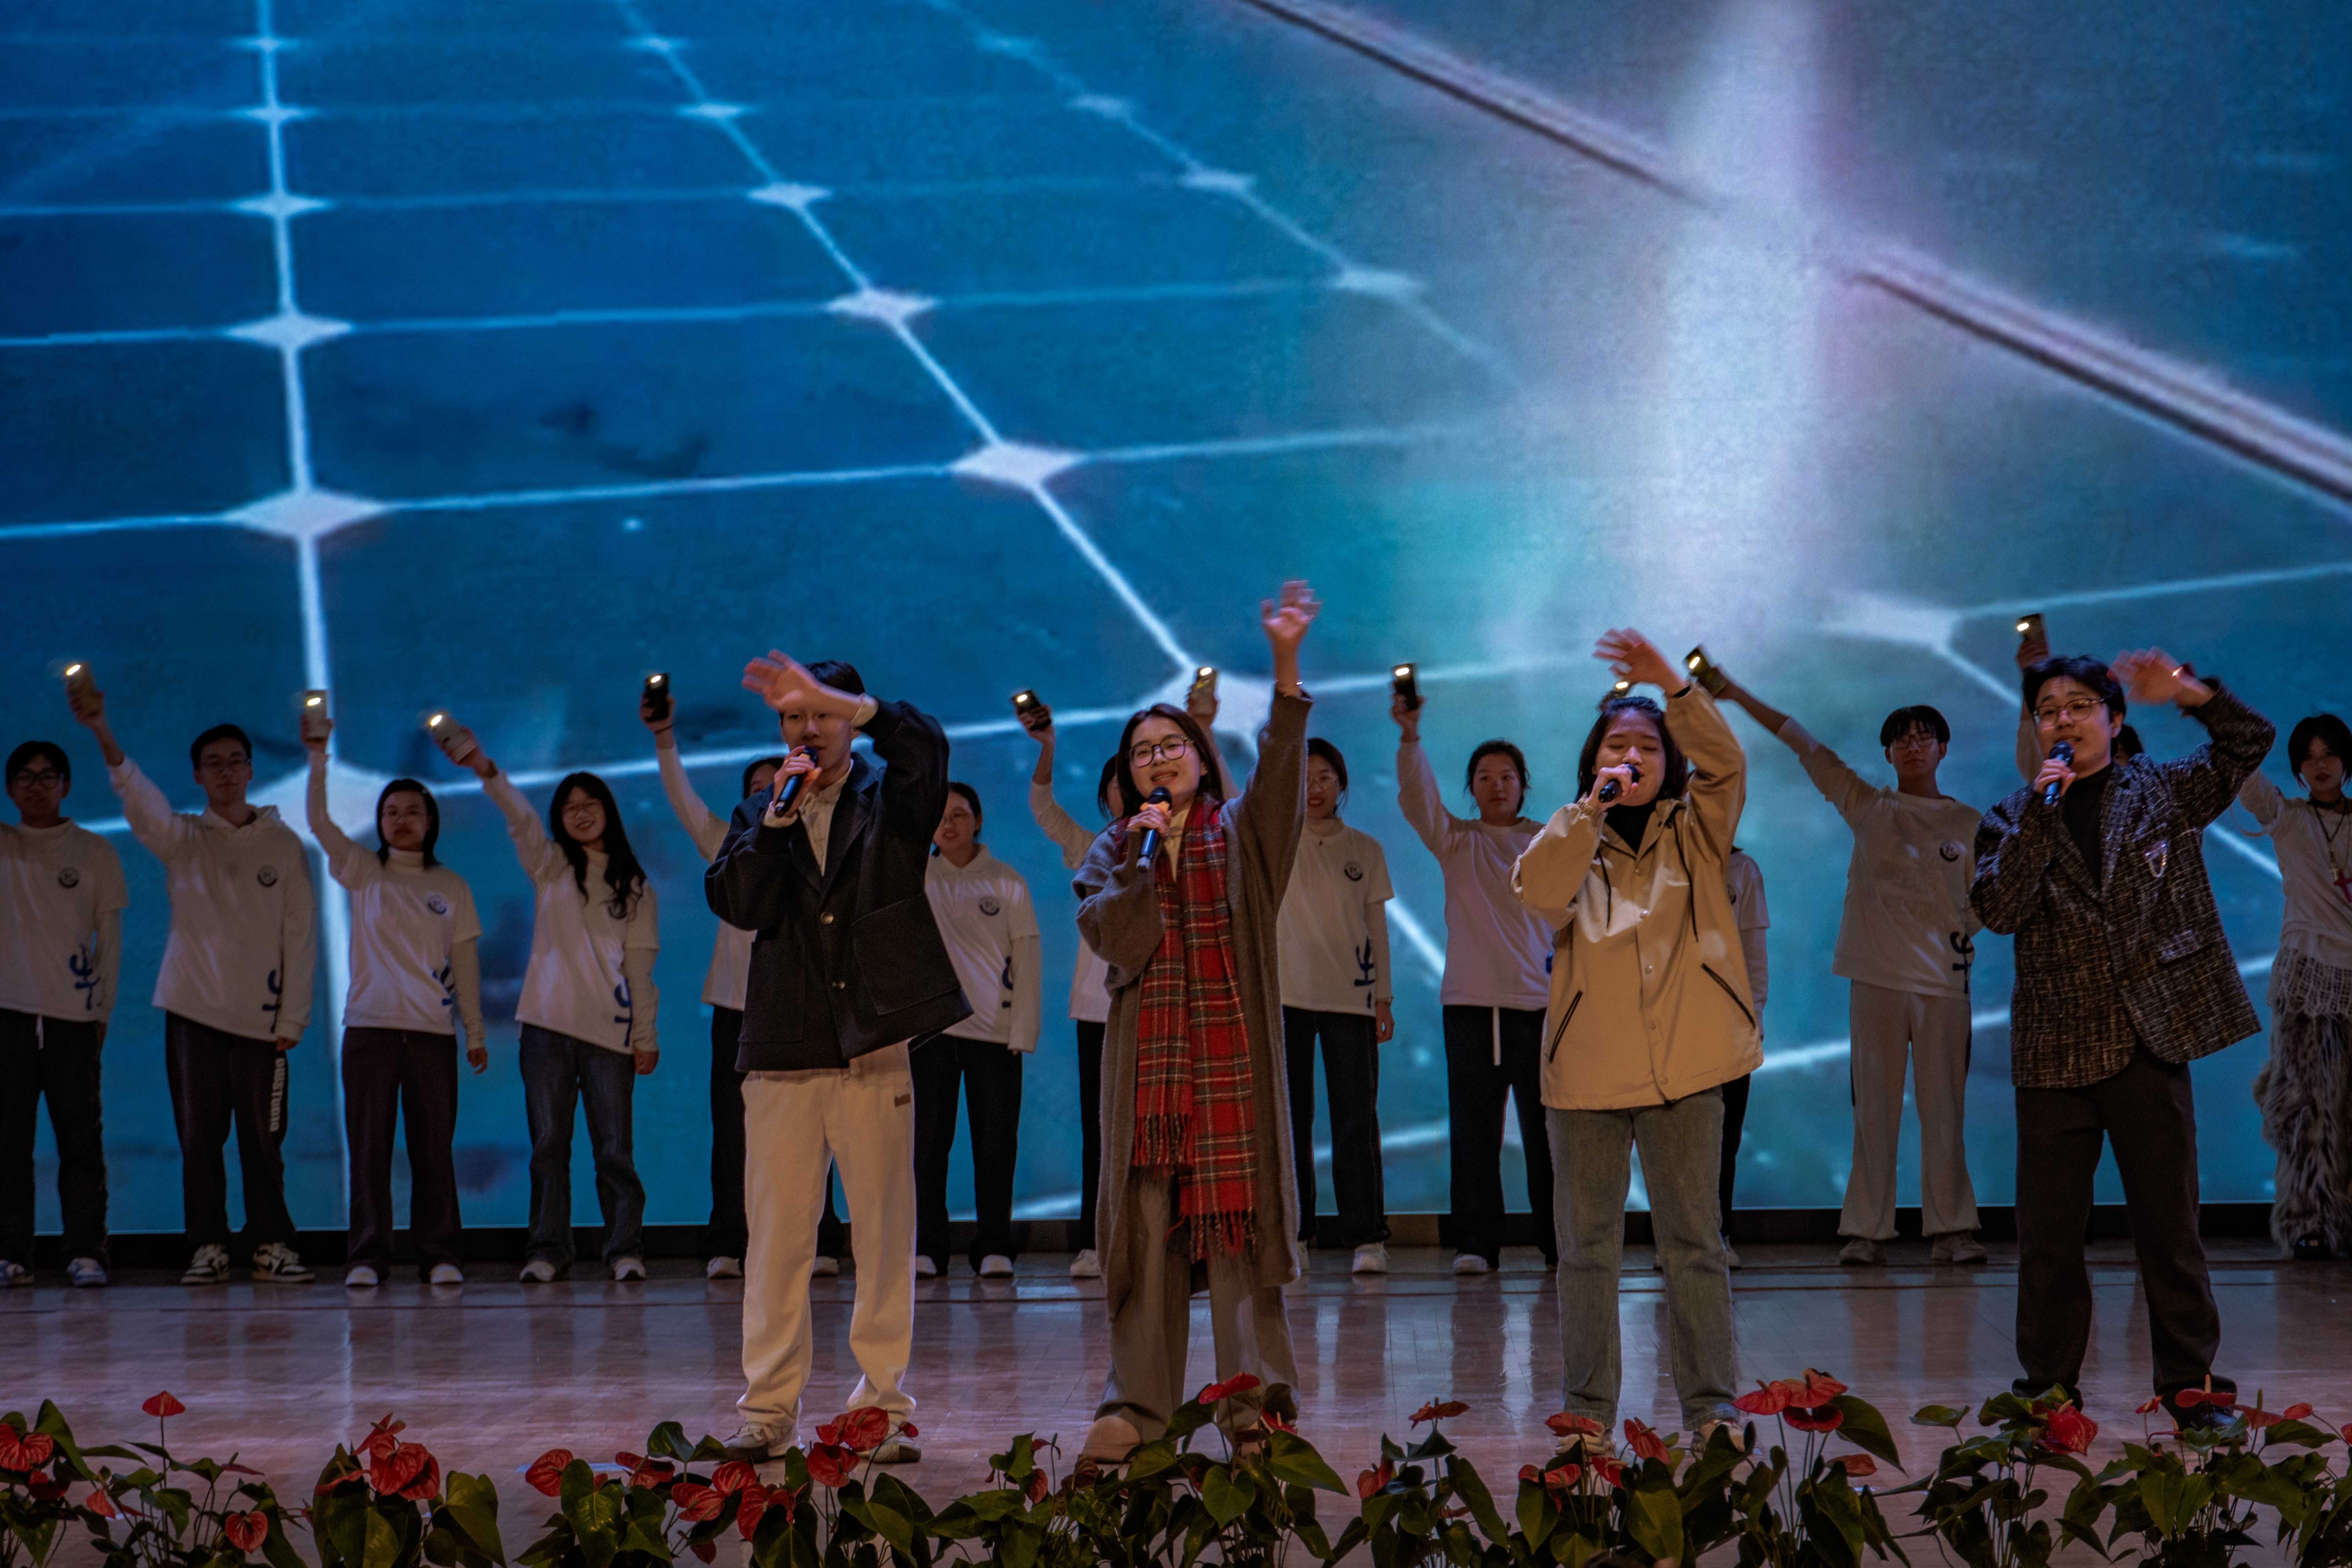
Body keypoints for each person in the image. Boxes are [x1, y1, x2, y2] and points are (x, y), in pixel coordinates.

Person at [1972, 649, 2272, 1423]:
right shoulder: (2009, 817)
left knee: (2170, 1231)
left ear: (2114, 718)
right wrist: (2041, 815)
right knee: (2048, 1240)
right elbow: (1998, 910)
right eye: (2048, 710)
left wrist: (2191, 693)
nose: (2063, 720)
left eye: (2079, 706)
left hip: (2148, 1039)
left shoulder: (2162, 792)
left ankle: (2191, 1388)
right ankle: (2047, 1392)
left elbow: (2249, 742)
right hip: (2055, 1049)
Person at [1076, 581, 1319, 1463]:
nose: (1158, 759)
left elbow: (1283, 775)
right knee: (1147, 1244)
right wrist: (1140, 861)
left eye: (1172, 744)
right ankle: (1138, 1407)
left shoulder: (1245, 837)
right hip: (1150, 1088)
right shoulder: (1112, 853)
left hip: (1230, 1080)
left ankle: (1252, 1404)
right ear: (1128, 777)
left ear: (1203, 760)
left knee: (1238, 1241)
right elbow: (1119, 940)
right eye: (1142, 752)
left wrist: (1285, 664)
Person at [708, 655, 968, 1465]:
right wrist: (775, 823)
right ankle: (767, 1409)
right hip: (782, 1048)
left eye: (821, 714)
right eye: (794, 717)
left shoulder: (891, 798)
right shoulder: (761, 808)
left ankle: (881, 1408)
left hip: (873, 1041)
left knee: (883, 1234)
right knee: (777, 1239)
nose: (808, 730)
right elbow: (737, 901)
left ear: (850, 719)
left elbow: (926, 746)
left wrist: (860, 706)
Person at [1513, 628, 1756, 1439]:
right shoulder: (1571, 831)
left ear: (1671, 759)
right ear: (1593, 761)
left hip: (1688, 1068)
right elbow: (1540, 894)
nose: (1632, 756)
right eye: (1617, 745)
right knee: (1586, 1251)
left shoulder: (1698, 826)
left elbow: (1728, 763)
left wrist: (1675, 691)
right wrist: (1590, 811)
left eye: (1648, 746)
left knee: (1695, 1244)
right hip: (1587, 1074)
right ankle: (1587, 1413)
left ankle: (1711, 1406)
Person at [1717, 674, 1985, 1265]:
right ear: (1887, 753)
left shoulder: (1971, 823)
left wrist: (1959, 932)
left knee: (1946, 1112)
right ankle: (1868, 1231)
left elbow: (1986, 903)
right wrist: (1737, 694)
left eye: (1925, 737)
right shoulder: (1869, 806)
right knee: (1874, 1112)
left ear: (1944, 748)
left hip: (1944, 984)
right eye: (1902, 739)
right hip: (1877, 980)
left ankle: (1952, 1231)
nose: (1914, 746)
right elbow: (1805, 744)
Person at [71, 684, 317, 1285]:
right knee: (199, 1138)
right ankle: (208, 1244)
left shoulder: (283, 845)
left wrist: (292, 1017)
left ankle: (270, 1244)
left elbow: (300, 935)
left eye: (236, 761)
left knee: (264, 1139)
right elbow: (138, 798)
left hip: (263, 1021)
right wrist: (101, 729)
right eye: (214, 763)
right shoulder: (180, 838)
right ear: (198, 776)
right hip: (192, 1012)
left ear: (251, 771)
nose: (226, 772)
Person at [442, 726, 659, 1283]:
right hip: (545, 1031)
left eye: (590, 805)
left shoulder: (636, 887)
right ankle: (547, 1249)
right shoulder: (550, 866)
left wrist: (645, 1035)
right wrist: (485, 768)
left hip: (610, 1035)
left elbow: (640, 972)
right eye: (570, 808)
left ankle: (624, 1249)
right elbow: (519, 818)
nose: (581, 814)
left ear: (608, 811)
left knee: (615, 1151)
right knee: (548, 1148)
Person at [648, 694, 846, 1280]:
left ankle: (822, 1238)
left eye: (781, 782)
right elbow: (683, 800)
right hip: (738, 1010)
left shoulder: (816, 843)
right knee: (733, 1128)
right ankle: (729, 1240)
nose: (772, 792)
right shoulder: (731, 841)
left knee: (816, 1125)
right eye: (760, 788)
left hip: (800, 1003)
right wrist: (664, 738)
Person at [304, 719, 485, 1287]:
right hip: (370, 1033)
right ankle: (367, 1257)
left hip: (432, 1036)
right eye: (391, 813)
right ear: (380, 823)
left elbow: (466, 965)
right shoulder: (364, 871)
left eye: (413, 812)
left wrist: (475, 1032)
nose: (402, 820)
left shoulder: (452, 886)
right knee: (370, 1152)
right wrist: (318, 759)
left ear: (431, 822)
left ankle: (441, 1254)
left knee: (433, 1152)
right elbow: (319, 823)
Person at [1394, 693, 1562, 1274]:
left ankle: (1559, 1242)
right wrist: (1410, 738)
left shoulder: (1549, 841)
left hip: (1537, 1007)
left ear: (1524, 785)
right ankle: (1476, 1243)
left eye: (1507, 776)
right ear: (1471, 788)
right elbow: (1418, 801)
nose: (1497, 785)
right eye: (1485, 777)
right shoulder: (1456, 840)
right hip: (1469, 1007)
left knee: (1547, 1133)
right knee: (1473, 1131)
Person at [0, 740, 128, 1289]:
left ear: (66, 786)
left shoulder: (95, 852)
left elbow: (110, 942)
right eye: (25, 778)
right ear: (10, 789)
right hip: (8, 1015)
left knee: (80, 1142)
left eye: (48, 776)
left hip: (73, 1017)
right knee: (8, 1142)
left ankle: (86, 1252)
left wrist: (103, 1011)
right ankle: (12, 1253)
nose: (37, 786)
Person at [1276, 738, 1396, 1275]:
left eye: (1325, 777)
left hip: (1352, 998)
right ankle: (1295, 1235)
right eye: (1304, 778)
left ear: (1341, 785)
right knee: (1291, 1122)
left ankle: (1367, 1238)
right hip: (1287, 998)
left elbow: (1377, 929)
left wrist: (1384, 997)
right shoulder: (1276, 845)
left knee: (1355, 1121)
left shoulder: (1365, 849)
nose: (1315, 788)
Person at [2236, 713, 2352, 1259]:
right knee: (2307, 1108)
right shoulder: (2290, 819)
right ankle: (2309, 1222)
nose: (2320, 765)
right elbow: (2249, 785)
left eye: (2329, 754)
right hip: (2310, 978)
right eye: (2309, 757)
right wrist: (2210, 709)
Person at [916, 783, 1042, 1278]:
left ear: (979, 820)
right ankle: (928, 1246)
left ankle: (994, 1245)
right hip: (930, 1036)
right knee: (927, 1146)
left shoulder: (1008, 881)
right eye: (941, 816)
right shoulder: (917, 879)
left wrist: (1022, 1032)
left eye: (960, 815)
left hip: (995, 1034)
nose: (949, 825)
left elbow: (1027, 959)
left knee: (995, 1144)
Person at [1021, 702, 1121, 1279]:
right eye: (1114, 784)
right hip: (1096, 1009)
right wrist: (1048, 748)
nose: (1122, 792)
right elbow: (1043, 809)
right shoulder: (1091, 848)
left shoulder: (1172, 844)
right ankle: (1094, 1241)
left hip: (1155, 1005)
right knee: (1098, 1129)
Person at [1715, 846, 1768, 1269]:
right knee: (1679, 1140)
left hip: (1732, 1026)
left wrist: (1755, 1017)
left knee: (1725, 1138)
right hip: (1679, 1026)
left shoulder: (1744, 869)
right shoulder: (1671, 857)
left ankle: (1719, 1232)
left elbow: (1754, 953)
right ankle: (1677, 1236)